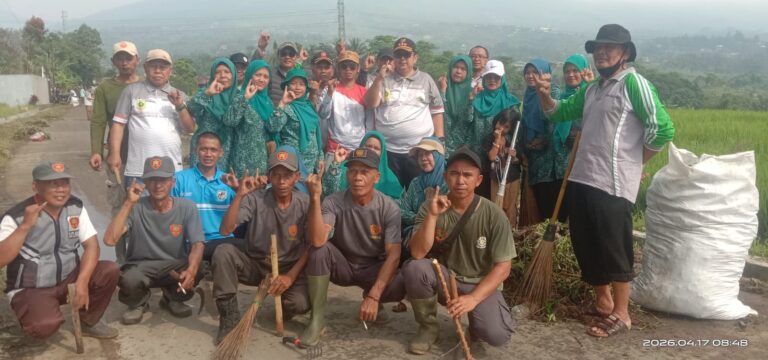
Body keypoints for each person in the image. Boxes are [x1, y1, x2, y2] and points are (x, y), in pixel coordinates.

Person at [532, 24, 675, 337]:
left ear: (625, 52)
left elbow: (662, 129)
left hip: (612, 182)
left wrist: (637, 163)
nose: (602, 52)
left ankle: (622, 315)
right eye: (598, 48)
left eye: (610, 47)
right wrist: (544, 94)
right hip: (582, 178)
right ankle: (603, 302)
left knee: (614, 247)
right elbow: (557, 113)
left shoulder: (633, 84)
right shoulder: (592, 89)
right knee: (586, 243)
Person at [405, 146, 515, 354]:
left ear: (479, 180)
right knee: (415, 268)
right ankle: (428, 327)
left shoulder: (494, 215)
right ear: (446, 177)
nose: (460, 180)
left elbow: (503, 267)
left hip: (480, 283)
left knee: (496, 334)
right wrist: (432, 216)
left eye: (467, 175)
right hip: (447, 279)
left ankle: (477, 322)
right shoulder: (431, 206)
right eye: (454, 173)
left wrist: (473, 299)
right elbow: (418, 253)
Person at [0, 162, 119, 339]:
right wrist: (24, 227)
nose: (61, 190)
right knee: (44, 326)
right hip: (31, 287)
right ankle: (34, 313)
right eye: (53, 184)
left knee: (109, 270)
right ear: (36, 186)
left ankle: (88, 321)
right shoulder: (16, 216)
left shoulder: (75, 207)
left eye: (64, 183)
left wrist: (82, 282)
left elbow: (92, 245)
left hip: (68, 279)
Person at [299, 148, 406, 347]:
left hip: (372, 269)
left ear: (377, 176)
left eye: (365, 172)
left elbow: (394, 254)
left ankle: (374, 299)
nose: (357, 177)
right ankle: (317, 319)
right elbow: (318, 240)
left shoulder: (389, 207)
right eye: (353, 171)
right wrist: (315, 199)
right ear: (347, 174)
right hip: (343, 265)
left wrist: (374, 295)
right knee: (319, 251)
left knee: (405, 278)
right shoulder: (333, 202)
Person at [213, 146, 311, 343]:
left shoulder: (305, 202)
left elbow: (311, 246)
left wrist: (290, 277)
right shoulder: (255, 199)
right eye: (276, 175)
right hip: (255, 263)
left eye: (287, 175)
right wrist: (240, 195)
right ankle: (229, 318)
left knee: (299, 304)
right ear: (269, 176)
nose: (282, 181)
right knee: (223, 251)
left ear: (297, 177)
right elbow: (225, 230)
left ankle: (283, 302)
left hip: (287, 268)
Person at [104, 156, 205, 325]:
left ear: (172, 182)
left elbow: (198, 244)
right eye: (152, 180)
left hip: (173, 266)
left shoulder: (187, 207)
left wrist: (192, 270)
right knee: (128, 278)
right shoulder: (136, 207)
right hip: (141, 266)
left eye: (163, 180)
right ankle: (139, 303)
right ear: (145, 183)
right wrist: (128, 203)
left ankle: (173, 297)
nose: (158, 185)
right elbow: (109, 240)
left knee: (199, 266)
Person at [365, 37, 445, 188]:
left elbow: (437, 111)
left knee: (418, 189)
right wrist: (379, 79)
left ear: (415, 57)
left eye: (406, 55)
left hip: (418, 150)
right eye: (398, 55)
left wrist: (440, 140)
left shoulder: (426, 80)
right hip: (388, 150)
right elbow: (370, 104)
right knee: (390, 190)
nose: (402, 59)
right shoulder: (383, 79)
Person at [108, 49, 195, 186]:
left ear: (170, 70)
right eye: (153, 66)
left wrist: (179, 106)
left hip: (171, 171)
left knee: (169, 207)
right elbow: (118, 125)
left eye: (163, 67)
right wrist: (114, 154)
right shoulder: (131, 91)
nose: (158, 71)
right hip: (138, 170)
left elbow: (190, 128)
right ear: (145, 68)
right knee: (137, 207)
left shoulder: (180, 96)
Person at [88, 40, 141, 264]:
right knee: (119, 205)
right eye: (120, 58)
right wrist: (97, 150)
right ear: (113, 62)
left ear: (137, 60)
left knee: (145, 206)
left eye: (128, 58)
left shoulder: (146, 85)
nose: (124, 62)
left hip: (144, 156)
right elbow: (99, 120)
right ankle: (122, 260)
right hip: (117, 158)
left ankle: (143, 257)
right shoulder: (105, 89)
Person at [172, 132, 238, 261]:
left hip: (222, 242)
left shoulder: (230, 182)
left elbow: (238, 219)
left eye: (213, 150)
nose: (208, 154)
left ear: (221, 152)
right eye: (204, 149)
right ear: (196, 150)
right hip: (190, 242)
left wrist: (238, 190)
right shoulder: (179, 179)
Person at [521, 58, 568, 222]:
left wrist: (543, 93)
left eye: (535, 72)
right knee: (542, 208)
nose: (530, 76)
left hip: (551, 160)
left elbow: (552, 121)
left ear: (544, 73)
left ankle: (556, 242)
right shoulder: (528, 95)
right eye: (527, 72)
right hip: (535, 161)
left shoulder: (552, 91)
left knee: (554, 208)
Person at [467, 60, 521, 198]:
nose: (492, 80)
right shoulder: (476, 99)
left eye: (496, 77)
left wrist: (503, 143)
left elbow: (516, 130)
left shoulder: (511, 102)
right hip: (479, 156)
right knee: (479, 195)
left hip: (499, 160)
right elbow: (468, 121)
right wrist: (470, 100)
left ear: (502, 79)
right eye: (488, 77)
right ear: (484, 79)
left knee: (497, 198)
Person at [267, 68, 323, 173]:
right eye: (293, 83)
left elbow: (315, 134)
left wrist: (320, 157)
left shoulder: (309, 107)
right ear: (287, 86)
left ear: (306, 88)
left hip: (311, 162)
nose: (297, 87)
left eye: (301, 84)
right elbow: (273, 128)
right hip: (292, 162)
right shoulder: (286, 107)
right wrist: (282, 103)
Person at [224, 59, 273, 176]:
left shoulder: (268, 103)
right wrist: (245, 98)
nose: (262, 79)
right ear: (250, 75)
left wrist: (281, 105)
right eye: (258, 75)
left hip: (261, 163)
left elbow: (273, 128)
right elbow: (230, 121)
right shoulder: (239, 97)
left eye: (266, 77)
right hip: (241, 162)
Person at [188, 58, 238, 170]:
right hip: (204, 150)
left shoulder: (239, 97)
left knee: (222, 184)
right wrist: (208, 94)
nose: (222, 75)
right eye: (218, 72)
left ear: (233, 75)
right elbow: (191, 109)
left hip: (227, 150)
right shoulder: (206, 92)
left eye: (227, 72)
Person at [322, 131, 402, 199]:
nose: (371, 150)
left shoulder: (389, 177)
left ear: (382, 153)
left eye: (376, 148)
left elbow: (398, 204)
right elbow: (328, 191)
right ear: (361, 147)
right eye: (368, 146)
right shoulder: (346, 167)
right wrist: (336, 163)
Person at [398, 137, 448, 243]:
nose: (423, 158)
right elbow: (403, 211)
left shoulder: (449, 182)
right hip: (415, 234)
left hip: (443, 234)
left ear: (438, 155)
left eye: (427, 153)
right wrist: (421, 218)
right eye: (420, 155)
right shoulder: (416, 183)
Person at [318, 51, 367, 155]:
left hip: (358, 148)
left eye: (352, 66)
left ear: (358, 69)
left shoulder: (364, 92)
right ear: (338, 69)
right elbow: (323, 115)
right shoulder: (329, 89)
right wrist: (330, 93)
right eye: (344, 66)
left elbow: (369, 122)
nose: (348, 69)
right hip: (335, 147)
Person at [484, 108, 522, 228]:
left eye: (506, 126)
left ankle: (511, 231)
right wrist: (496, 140)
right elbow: (491, 157)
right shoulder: (489, 138)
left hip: (512, 178)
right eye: (500, 123)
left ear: (511, 129)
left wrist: (514, 155)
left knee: (510, 206)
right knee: (496, 206)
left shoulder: (514, 139)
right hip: (496, 177)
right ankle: (497, 229)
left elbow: (519, 159)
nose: (501, 127)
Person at [439, 55, 473, 155]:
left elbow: (470, 120)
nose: (458, 71)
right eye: (456, 67)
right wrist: (443, 91)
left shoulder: (472, 93)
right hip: (442, 147)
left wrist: (470, 100)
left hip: (464, 149)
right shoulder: (441, 89)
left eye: (463, 69)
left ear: (468, 72)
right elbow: (439, 114)